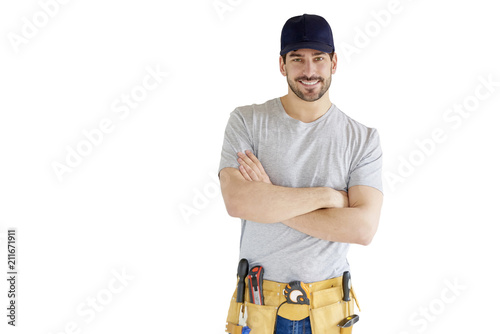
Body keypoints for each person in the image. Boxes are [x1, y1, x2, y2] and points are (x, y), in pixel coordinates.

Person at [219, 13, 383, 334]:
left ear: (334, 62)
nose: (309, 71)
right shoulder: (247, 122)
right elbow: (238, 201)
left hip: (329, 308)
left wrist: (268, 200)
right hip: (258, 304)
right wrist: (329, 197)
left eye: (318, 58)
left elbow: (363, 229)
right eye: (297, 59)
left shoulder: (362, 139)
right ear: (282, 65)